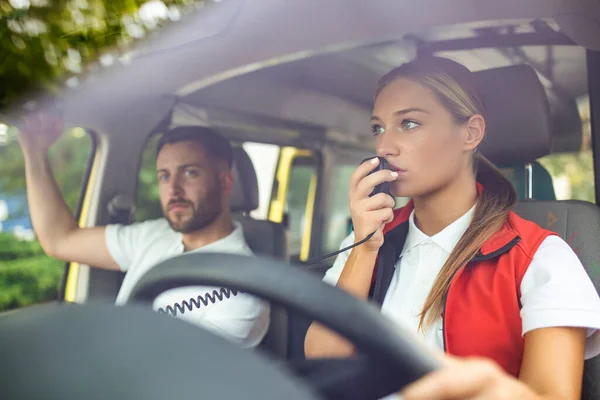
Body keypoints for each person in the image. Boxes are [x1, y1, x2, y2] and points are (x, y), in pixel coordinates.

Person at [304, 56, 600, 399]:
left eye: (409, 123)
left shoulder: (540, 259)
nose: (385, 146)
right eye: (378, 128)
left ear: (470, 133)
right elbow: (324, 360)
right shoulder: (367, 243)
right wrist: (365, 246)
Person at [17, 116, 269, 349]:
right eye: (164, 176)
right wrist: (34, 152)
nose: (174, 189)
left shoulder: (244, 290)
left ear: (225, 182)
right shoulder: (154, 235)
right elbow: (59, 240)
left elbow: (176, 378)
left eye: (190, 172)